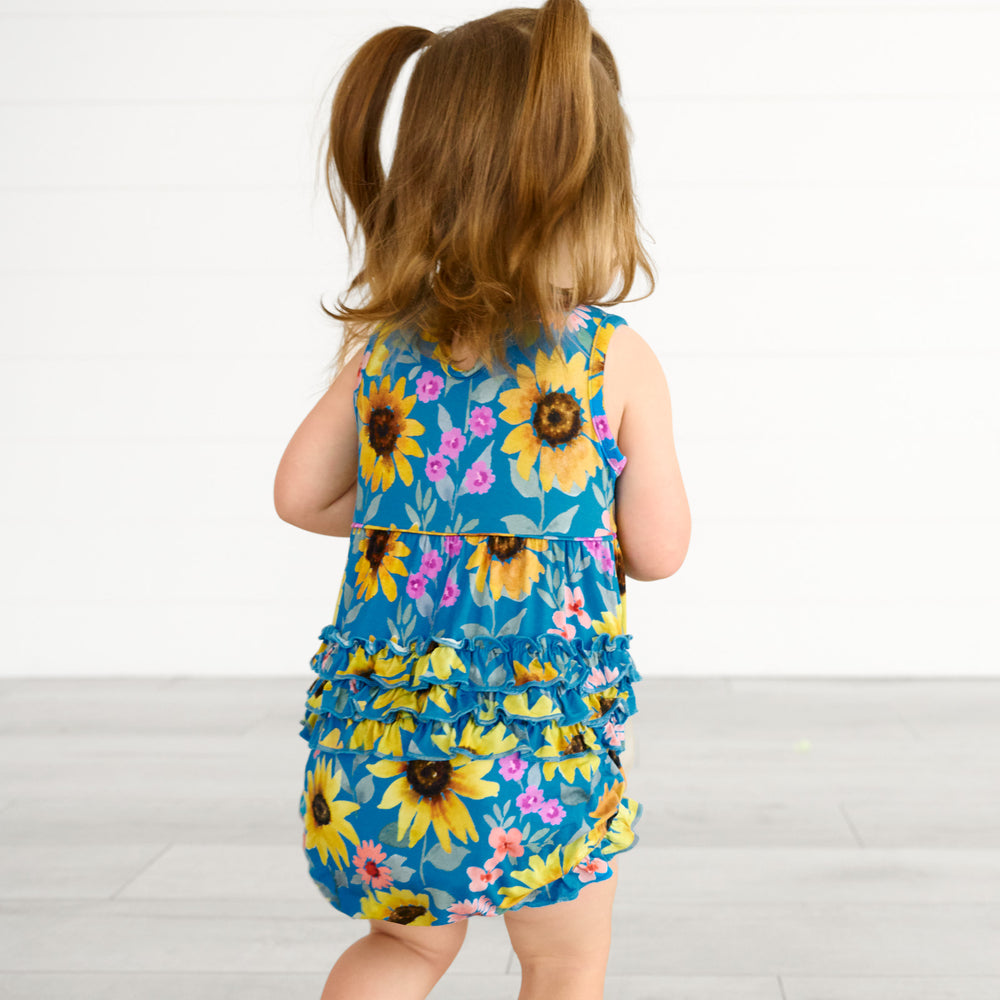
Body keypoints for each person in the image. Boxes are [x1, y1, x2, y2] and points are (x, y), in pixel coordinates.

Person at [273, 1, 690, 997]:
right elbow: (661, 547)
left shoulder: (387, 354)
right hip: (539, 756)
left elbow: (298, 494)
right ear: (594, 184)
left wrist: (413, 522)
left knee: (407, 946)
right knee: (563, 960)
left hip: (384, 757)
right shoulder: (610, 361)